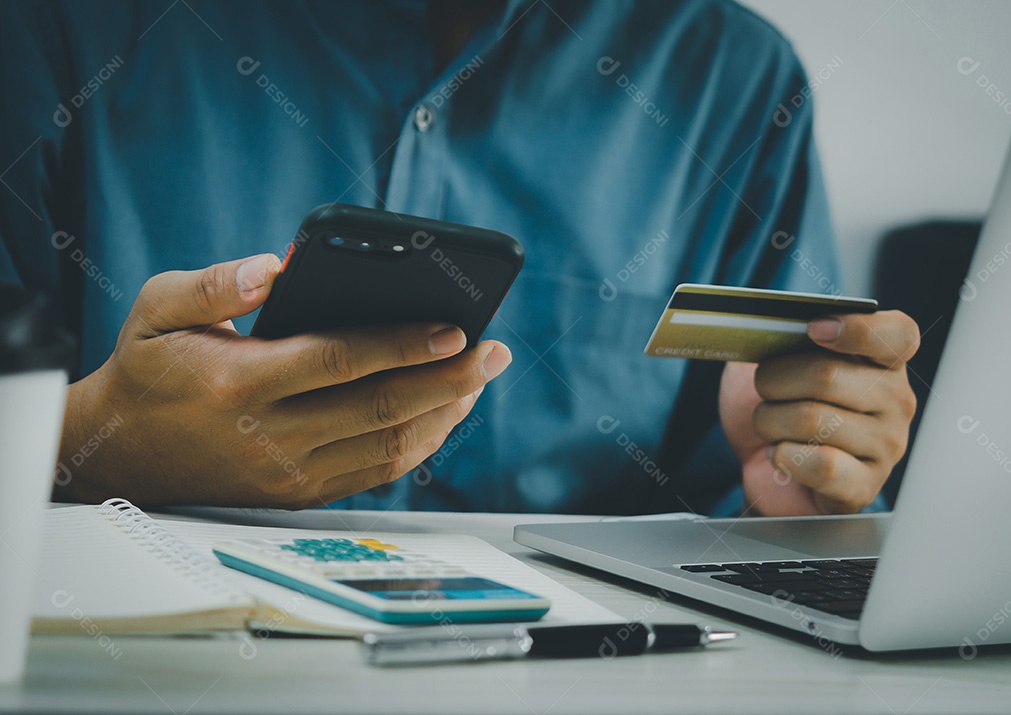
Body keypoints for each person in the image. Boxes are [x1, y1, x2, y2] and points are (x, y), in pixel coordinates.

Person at [0, 0, 919, 516]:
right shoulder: (52, 30)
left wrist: (800, 495)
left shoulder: (734, 77)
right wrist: (88, 443)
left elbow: (772, 484)